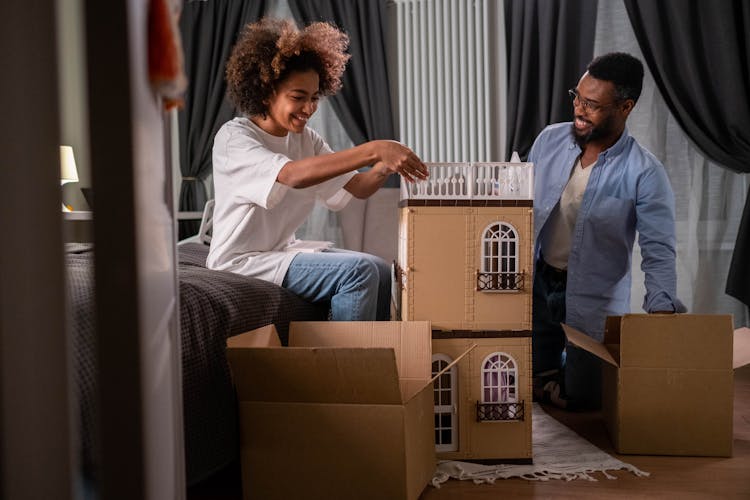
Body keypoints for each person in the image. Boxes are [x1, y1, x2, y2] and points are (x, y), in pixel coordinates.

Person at [207, 18, 428, 321]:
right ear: (266, 91)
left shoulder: (306, 139)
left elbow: (359, 187)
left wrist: (383, 167)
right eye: (298, 97)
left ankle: (376, 363)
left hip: (280, 252)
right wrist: (374, 148)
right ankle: (344, 367)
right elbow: (292, 175)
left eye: (313, 98)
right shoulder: (235, 138)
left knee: (379, 268)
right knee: (359, 273)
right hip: (241, 261)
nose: (309, 109)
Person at [529, 52, 686, 410]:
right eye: (578, 98)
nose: (579, 110)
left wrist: (662, 318)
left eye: (593, 105)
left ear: (625, 107)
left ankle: (562, 379)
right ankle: (548, 377)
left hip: (593, 295)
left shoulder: (645, 172)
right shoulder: (549, 141)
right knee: (527, 378)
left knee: (587, 398)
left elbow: (658, 250)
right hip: (539, 285)